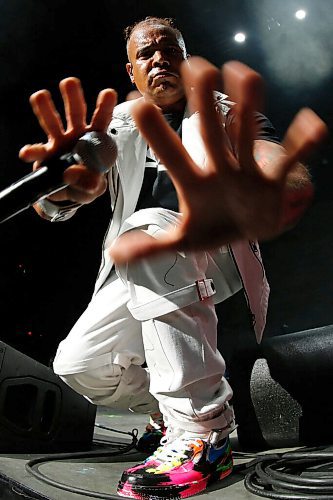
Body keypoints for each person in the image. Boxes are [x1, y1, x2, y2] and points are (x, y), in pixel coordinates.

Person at [19, 17, 327, 500]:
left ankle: (203, 432)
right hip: (139, 262)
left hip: (214, 255)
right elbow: (53, 203)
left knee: (148, 229)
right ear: (131, 71)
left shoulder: (225, 112)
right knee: (77, 364)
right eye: (146, 53)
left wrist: (258, 180)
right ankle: (166, 411)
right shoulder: (114, 125)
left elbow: (278, 166)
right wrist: (61, 187)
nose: (159, 58)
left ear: (185, 62)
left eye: (171, 50)